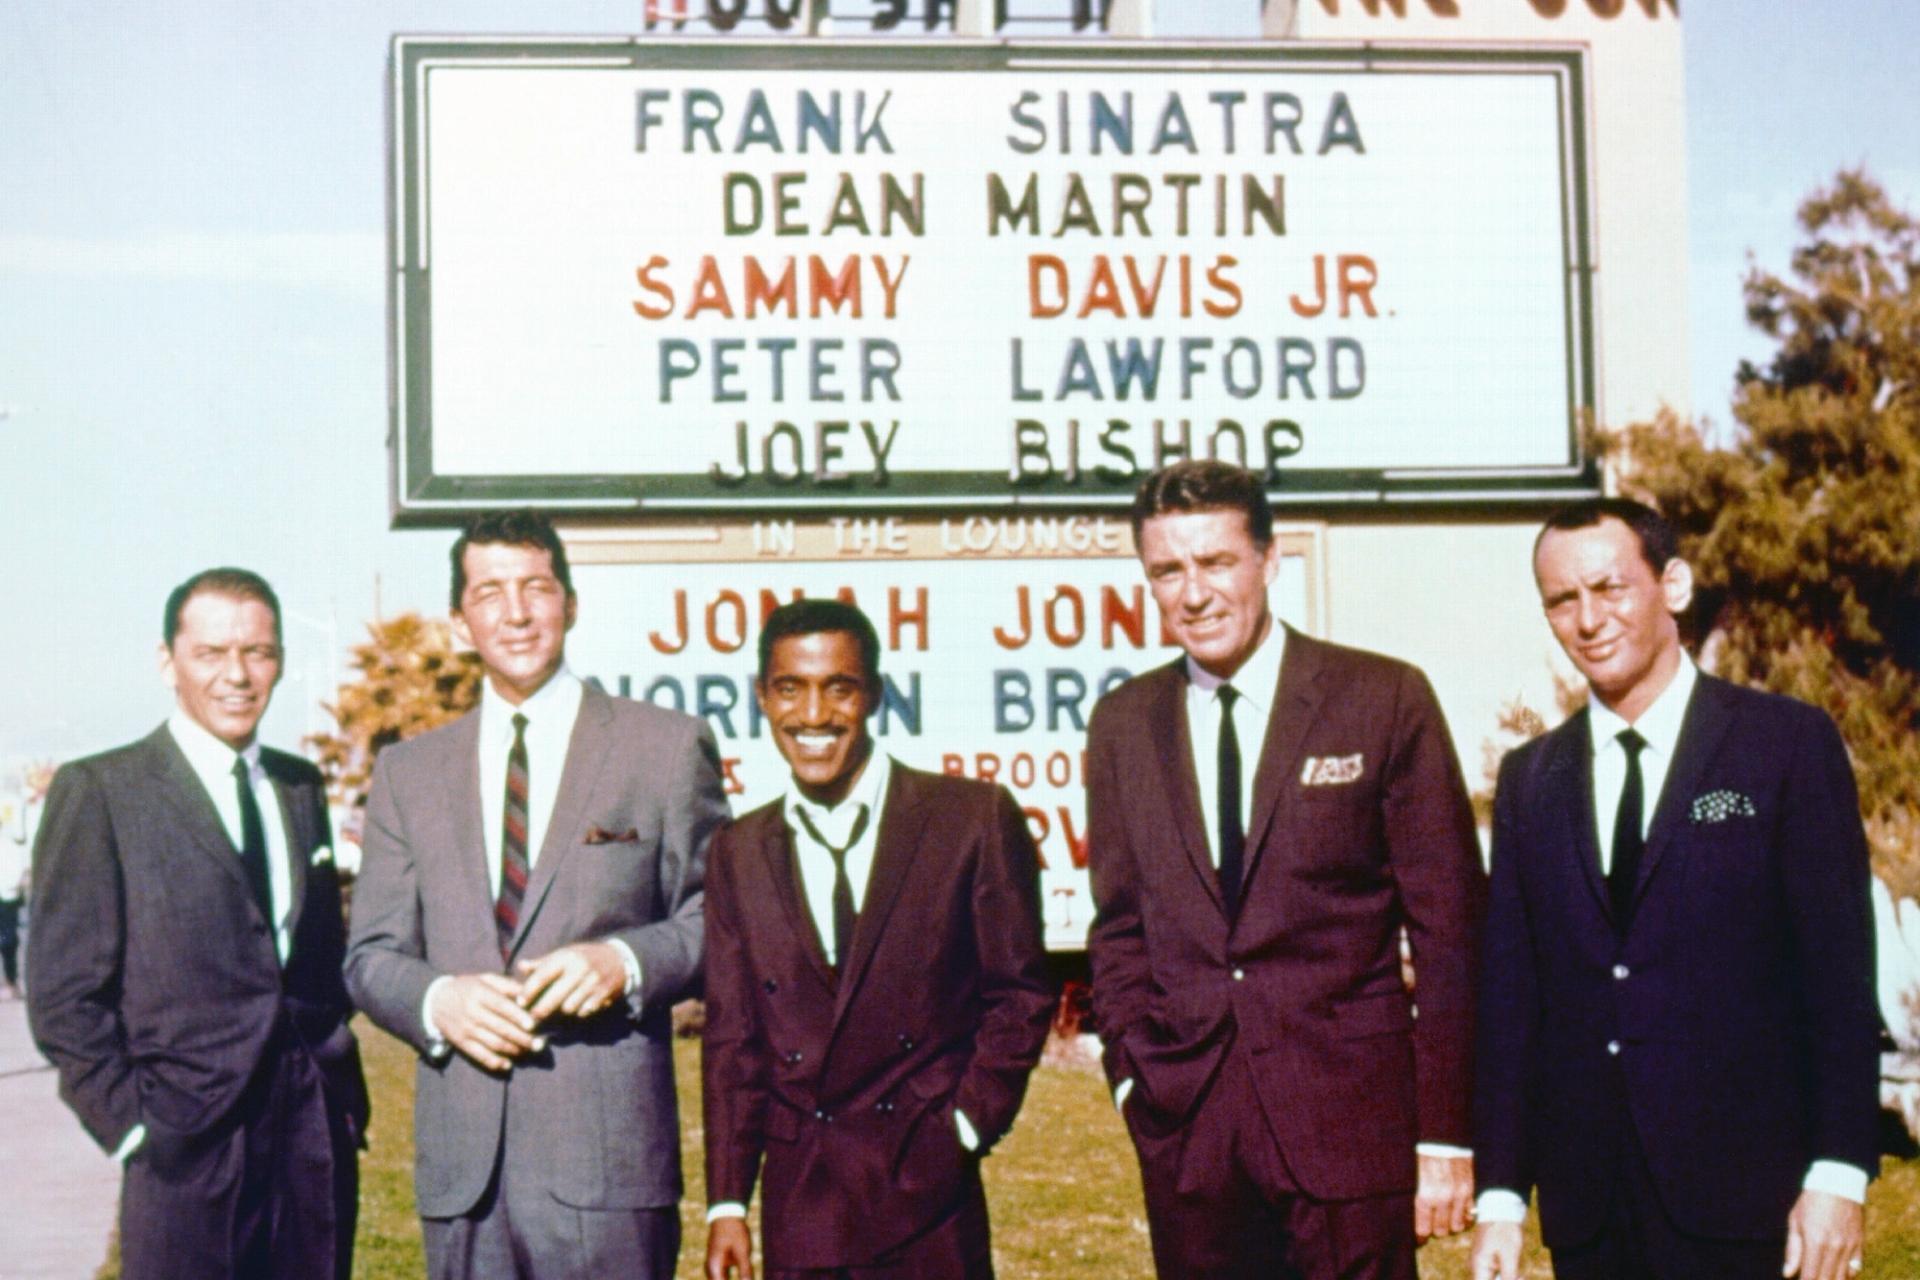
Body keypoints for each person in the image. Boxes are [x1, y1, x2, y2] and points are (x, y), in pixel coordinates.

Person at [1085, 460, 1486, 1280]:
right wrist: (1136, 1081)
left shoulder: (1382, 699)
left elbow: (1453, 936)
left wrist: (1444, 1134)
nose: (1193, 593)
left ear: (1268, 561)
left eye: (1216, 562)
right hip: (1191, 1141)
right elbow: (1120, 926)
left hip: (1349, 1134)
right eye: (1168, 570)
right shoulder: (1124, 724)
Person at [1470, 497, 1878, 1280]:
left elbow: (1837, 977)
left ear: (1674, 585)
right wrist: (1500, 1198)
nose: (1588, 619)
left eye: (1611, 588)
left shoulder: (1783, 745)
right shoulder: (1532, 780)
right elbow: (1513, 1001)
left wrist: (1837, 1173)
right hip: (1590, 1209)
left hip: (1750, 1203)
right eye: (1563, 599)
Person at [345, 509, 728, 1280]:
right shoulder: (408, 772)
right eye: (489, 594)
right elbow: (371, 955)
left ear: (571, 604)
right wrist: (435, 1002)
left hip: (608, 1171)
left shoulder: (663, 747)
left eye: (535, 588)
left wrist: (626, 961)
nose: (515, 613)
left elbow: (723, 917)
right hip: (466, 1178)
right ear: (459, 622)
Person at [27, 567, 368, 1280]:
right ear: (167, 662)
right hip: (184, 1148)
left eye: (258, 652)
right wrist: (133, 1128)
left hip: (309, 1134)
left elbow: (315, 961)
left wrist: (336, 1101)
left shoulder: (300, 785)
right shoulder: (102, 792)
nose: (237, 675)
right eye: (211, 654)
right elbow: (64, 996)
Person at [703, 599, 1055, 1280]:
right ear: (761, 698)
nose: (812, 715)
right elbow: (732, 1042)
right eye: (789, 689)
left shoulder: (969, 820)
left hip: (929, 1198)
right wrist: (726, 1202)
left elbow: (1020, 994)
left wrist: (964, 1127)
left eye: (839, 687)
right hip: (802, 1201)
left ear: (873, 695)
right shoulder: (737, 850)